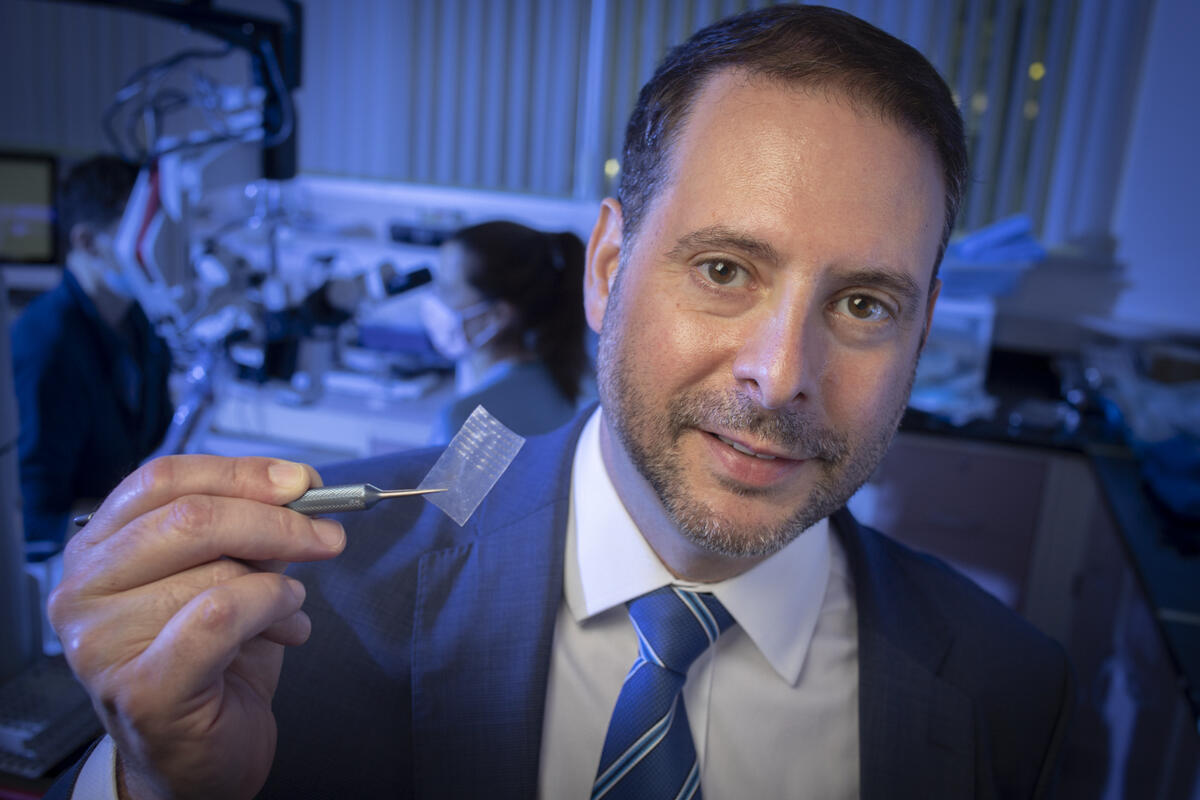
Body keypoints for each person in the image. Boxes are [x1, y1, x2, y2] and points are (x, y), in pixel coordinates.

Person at [45, 6, 1072, 799]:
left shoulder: (1010, 692)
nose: (779, 372)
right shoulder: (304, 612)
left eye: (861, 302)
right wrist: (157, 778)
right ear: (607, 268)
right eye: (724, 269)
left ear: (922, 329)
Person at [11, 156, 172, 553]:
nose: (156, 250)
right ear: (86, 242)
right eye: (137, 234)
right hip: (77, 554)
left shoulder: (141, 319)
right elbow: (39, 515)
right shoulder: (46, 340)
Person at [419, 221, 588, 442]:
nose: (435, 299)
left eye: (448, 290)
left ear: (496, 317)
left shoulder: (462, 420)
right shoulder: (560, 386)